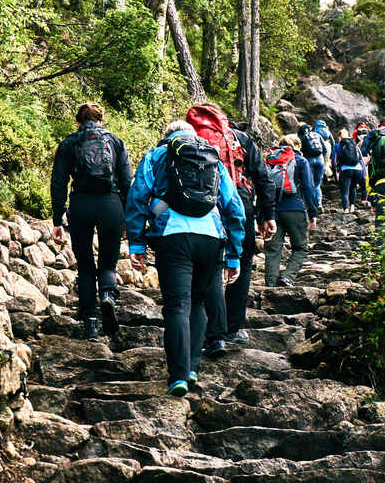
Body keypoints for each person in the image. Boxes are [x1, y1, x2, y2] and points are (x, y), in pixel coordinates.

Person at [125, 121, 245, 396]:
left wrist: (136, 242)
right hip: (212, 236)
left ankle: (178, 376)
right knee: (199, 301)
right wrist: (234, 255)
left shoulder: (157, 155)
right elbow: (234, 206)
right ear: (194, 136)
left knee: (177, 306)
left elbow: (138, 196)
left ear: (167, 137)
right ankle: (192, 368)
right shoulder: (213, 157)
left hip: (173, 235)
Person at [186, 104, 277, 356]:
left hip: (199, 204)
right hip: (240, 200)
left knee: (208, 265)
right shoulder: (241, 138)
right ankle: (232, 328)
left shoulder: (187, 137)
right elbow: (262, 177)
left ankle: (205, 329)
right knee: (243, 262)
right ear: (225, 120)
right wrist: (266, 214)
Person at [50, 102, 133, 342]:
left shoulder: (68, 143)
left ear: (78, 122)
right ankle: (107, 295)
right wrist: (128, 218)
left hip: (81, 204)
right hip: (111, 204)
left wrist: (58, 219)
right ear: (101, 121)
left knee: (85, 266)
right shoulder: (115, 142)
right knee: (108, 264)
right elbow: (128, 182)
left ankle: (90, 324)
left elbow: (59, 183)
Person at [263, 134, 318, 287]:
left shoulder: (269, 160)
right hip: (295, 208)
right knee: (301, 247)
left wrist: (260, 214)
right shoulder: (300, 160)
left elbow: (260, 187)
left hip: (271, 210)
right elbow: (308, 187)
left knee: (272, 249)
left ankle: (270, 284)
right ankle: (287, 277)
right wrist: (312, 212)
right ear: (298, 146)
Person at [332, 128, 364, 213]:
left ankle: (346, 209)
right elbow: (361, 160)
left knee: (344, 191)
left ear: (339, 137)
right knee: (353, 188)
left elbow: (334, 161)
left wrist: (336, 175)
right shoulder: (354, 145)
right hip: (358, 170)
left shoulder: (337, 146)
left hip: (345, 170)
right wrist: (364, 175)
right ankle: (352, 207)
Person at [297, 123, 327, 210]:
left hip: (308, 161)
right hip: (320, 160)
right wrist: (321, 157)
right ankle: (319, 204)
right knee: (317, 185)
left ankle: (307, 204)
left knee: (308, 183)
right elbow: (325, 148)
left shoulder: (301, 137)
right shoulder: (317, 135)